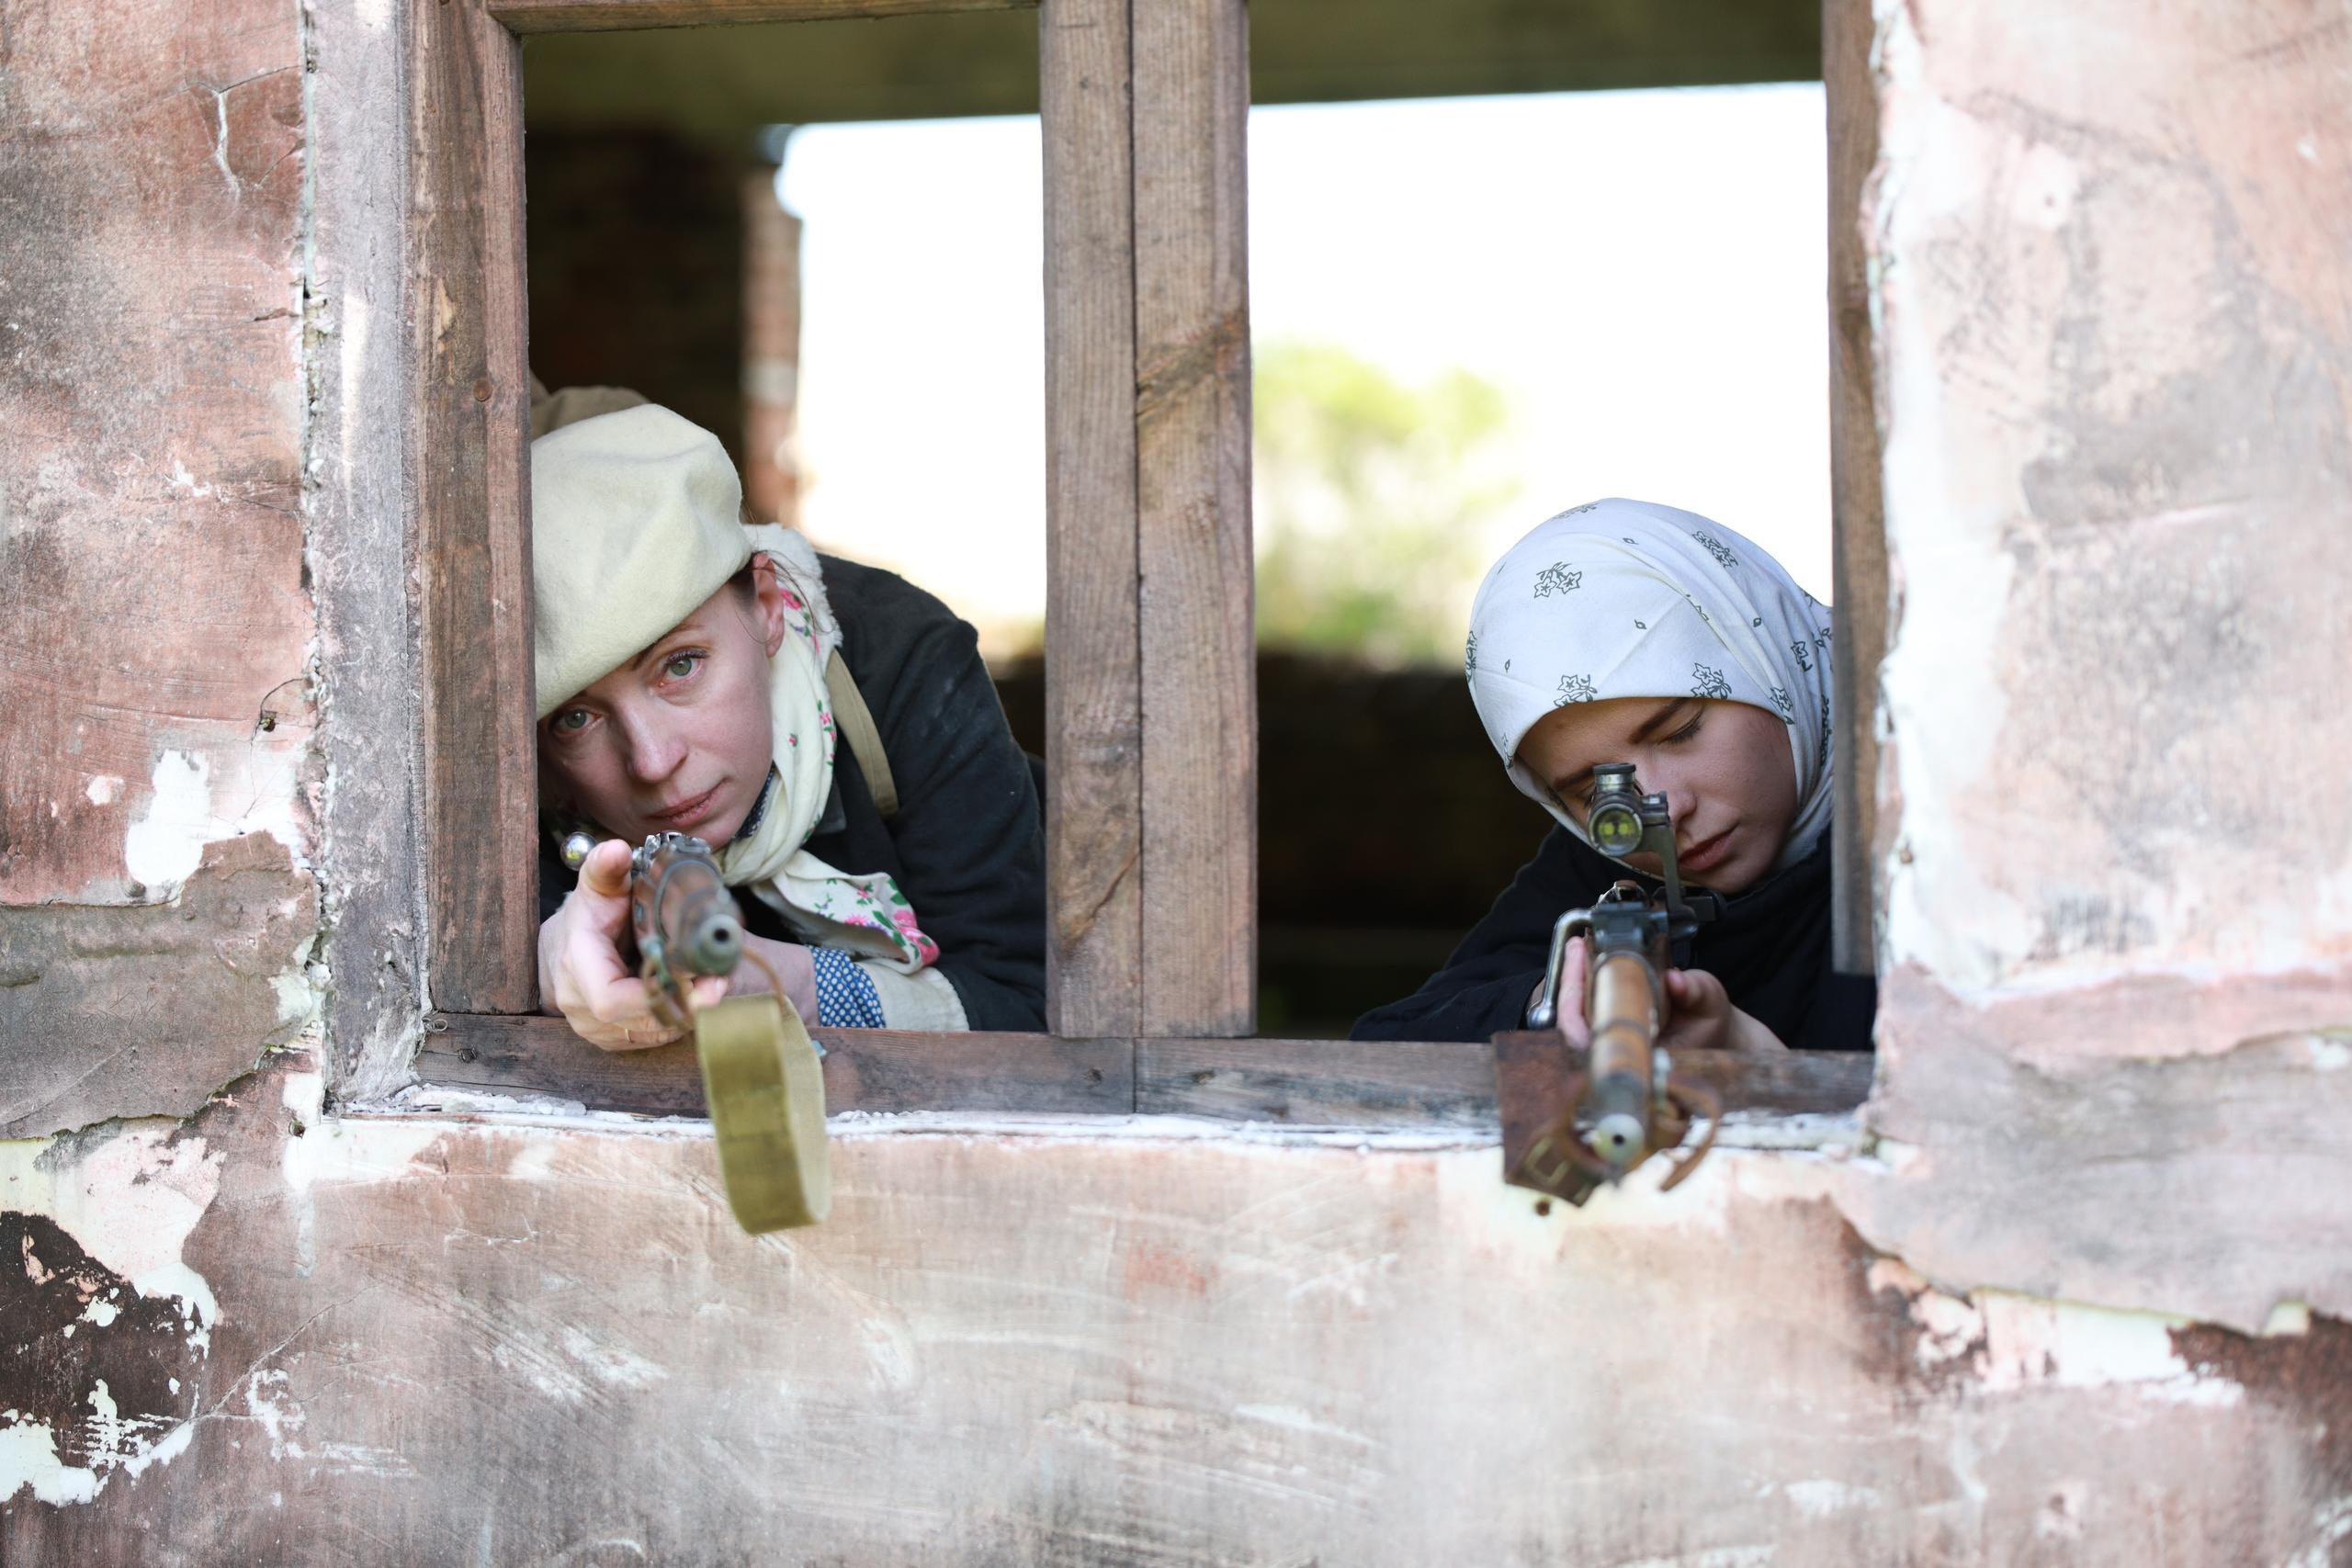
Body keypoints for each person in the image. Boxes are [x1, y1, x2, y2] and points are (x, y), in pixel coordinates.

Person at [531, 401, 1046, 1047]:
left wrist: (795, 986)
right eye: (575, 718)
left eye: (680, 665)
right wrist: (546, 958)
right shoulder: (523, 792)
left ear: (768, 606)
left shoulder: (905, 663)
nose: (652, 761)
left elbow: (1028, 1002)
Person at [1351, 498, 1874, 1052]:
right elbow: (1388, 1045)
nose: (1664, 811)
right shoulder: (1606, 858)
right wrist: (1560, 1000)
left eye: (1681, 731)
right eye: (1593, 790)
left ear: (1768, 663)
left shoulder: (1933, 814)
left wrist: (1753, 1058)